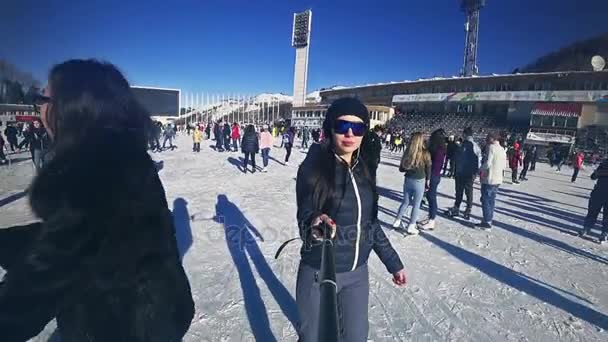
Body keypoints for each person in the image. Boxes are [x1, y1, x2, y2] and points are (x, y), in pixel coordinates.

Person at [0, 59, 194, 341]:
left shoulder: (92, 170)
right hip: (156, 314)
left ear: (73, 107)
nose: (38, 109)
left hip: (122, 326)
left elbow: (44, 277)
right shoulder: (120, 156)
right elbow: (78, 235)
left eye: (41, 99)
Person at [296, 97, 406, 341]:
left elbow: (371, 223)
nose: (349, 133)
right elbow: (304, 213)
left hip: (357, 273)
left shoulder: (364, 169)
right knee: (313, 337)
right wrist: (314, 222)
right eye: (342, 125)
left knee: (356, 337)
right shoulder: (313, 167)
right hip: (320, 271)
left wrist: (393, 263)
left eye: (357, 128)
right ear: (330, 128)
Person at [392, 132, 431, 235]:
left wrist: (409, 167)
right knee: (416, 204)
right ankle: (411, 225)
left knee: (405, 202)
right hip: (419, 181)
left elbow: (401, 169)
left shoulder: (408, 152)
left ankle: (397, 221)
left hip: (408, 180)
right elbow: (428, 168)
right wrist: (428, 180)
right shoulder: (425, 153)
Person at [446, 127, 481, 220]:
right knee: (469, 191)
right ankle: (468, 209)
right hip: (470, 173)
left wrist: (455, 170)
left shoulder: (462, 145)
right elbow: (479, 160)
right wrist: (476, 171)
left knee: (459, 191)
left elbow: (457, 158)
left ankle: (456, 208)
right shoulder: (476, 146)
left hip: (461, 171)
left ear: (465, 134)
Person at [476, 132, 507, 230]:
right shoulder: (502, 149)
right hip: (498, 179)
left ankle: (487, 222)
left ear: (492, 139)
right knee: (491, 200)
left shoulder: (491, 147)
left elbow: (487, 164)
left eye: (488, 138)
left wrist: (480, 169)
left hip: (490, 179)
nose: (486, 139)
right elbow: (504, 166)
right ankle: (488, 219)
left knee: (485, 200)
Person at [420, 129, 447, 230]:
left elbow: (435, 166)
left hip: (433, 176)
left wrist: (429, 178)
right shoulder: (436, 148)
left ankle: (432, 220)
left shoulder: (439, 150)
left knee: (431, 196)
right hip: (433, 175)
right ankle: (430, 217)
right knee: (429, 196)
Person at [580, 157, 608, 243]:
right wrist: (599, 172)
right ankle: (587, 228)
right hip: (598, 192)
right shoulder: (604, 163)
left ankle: (604, 233)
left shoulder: (604, 163)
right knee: (592, 211)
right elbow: (593, 176)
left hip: (600, 192)